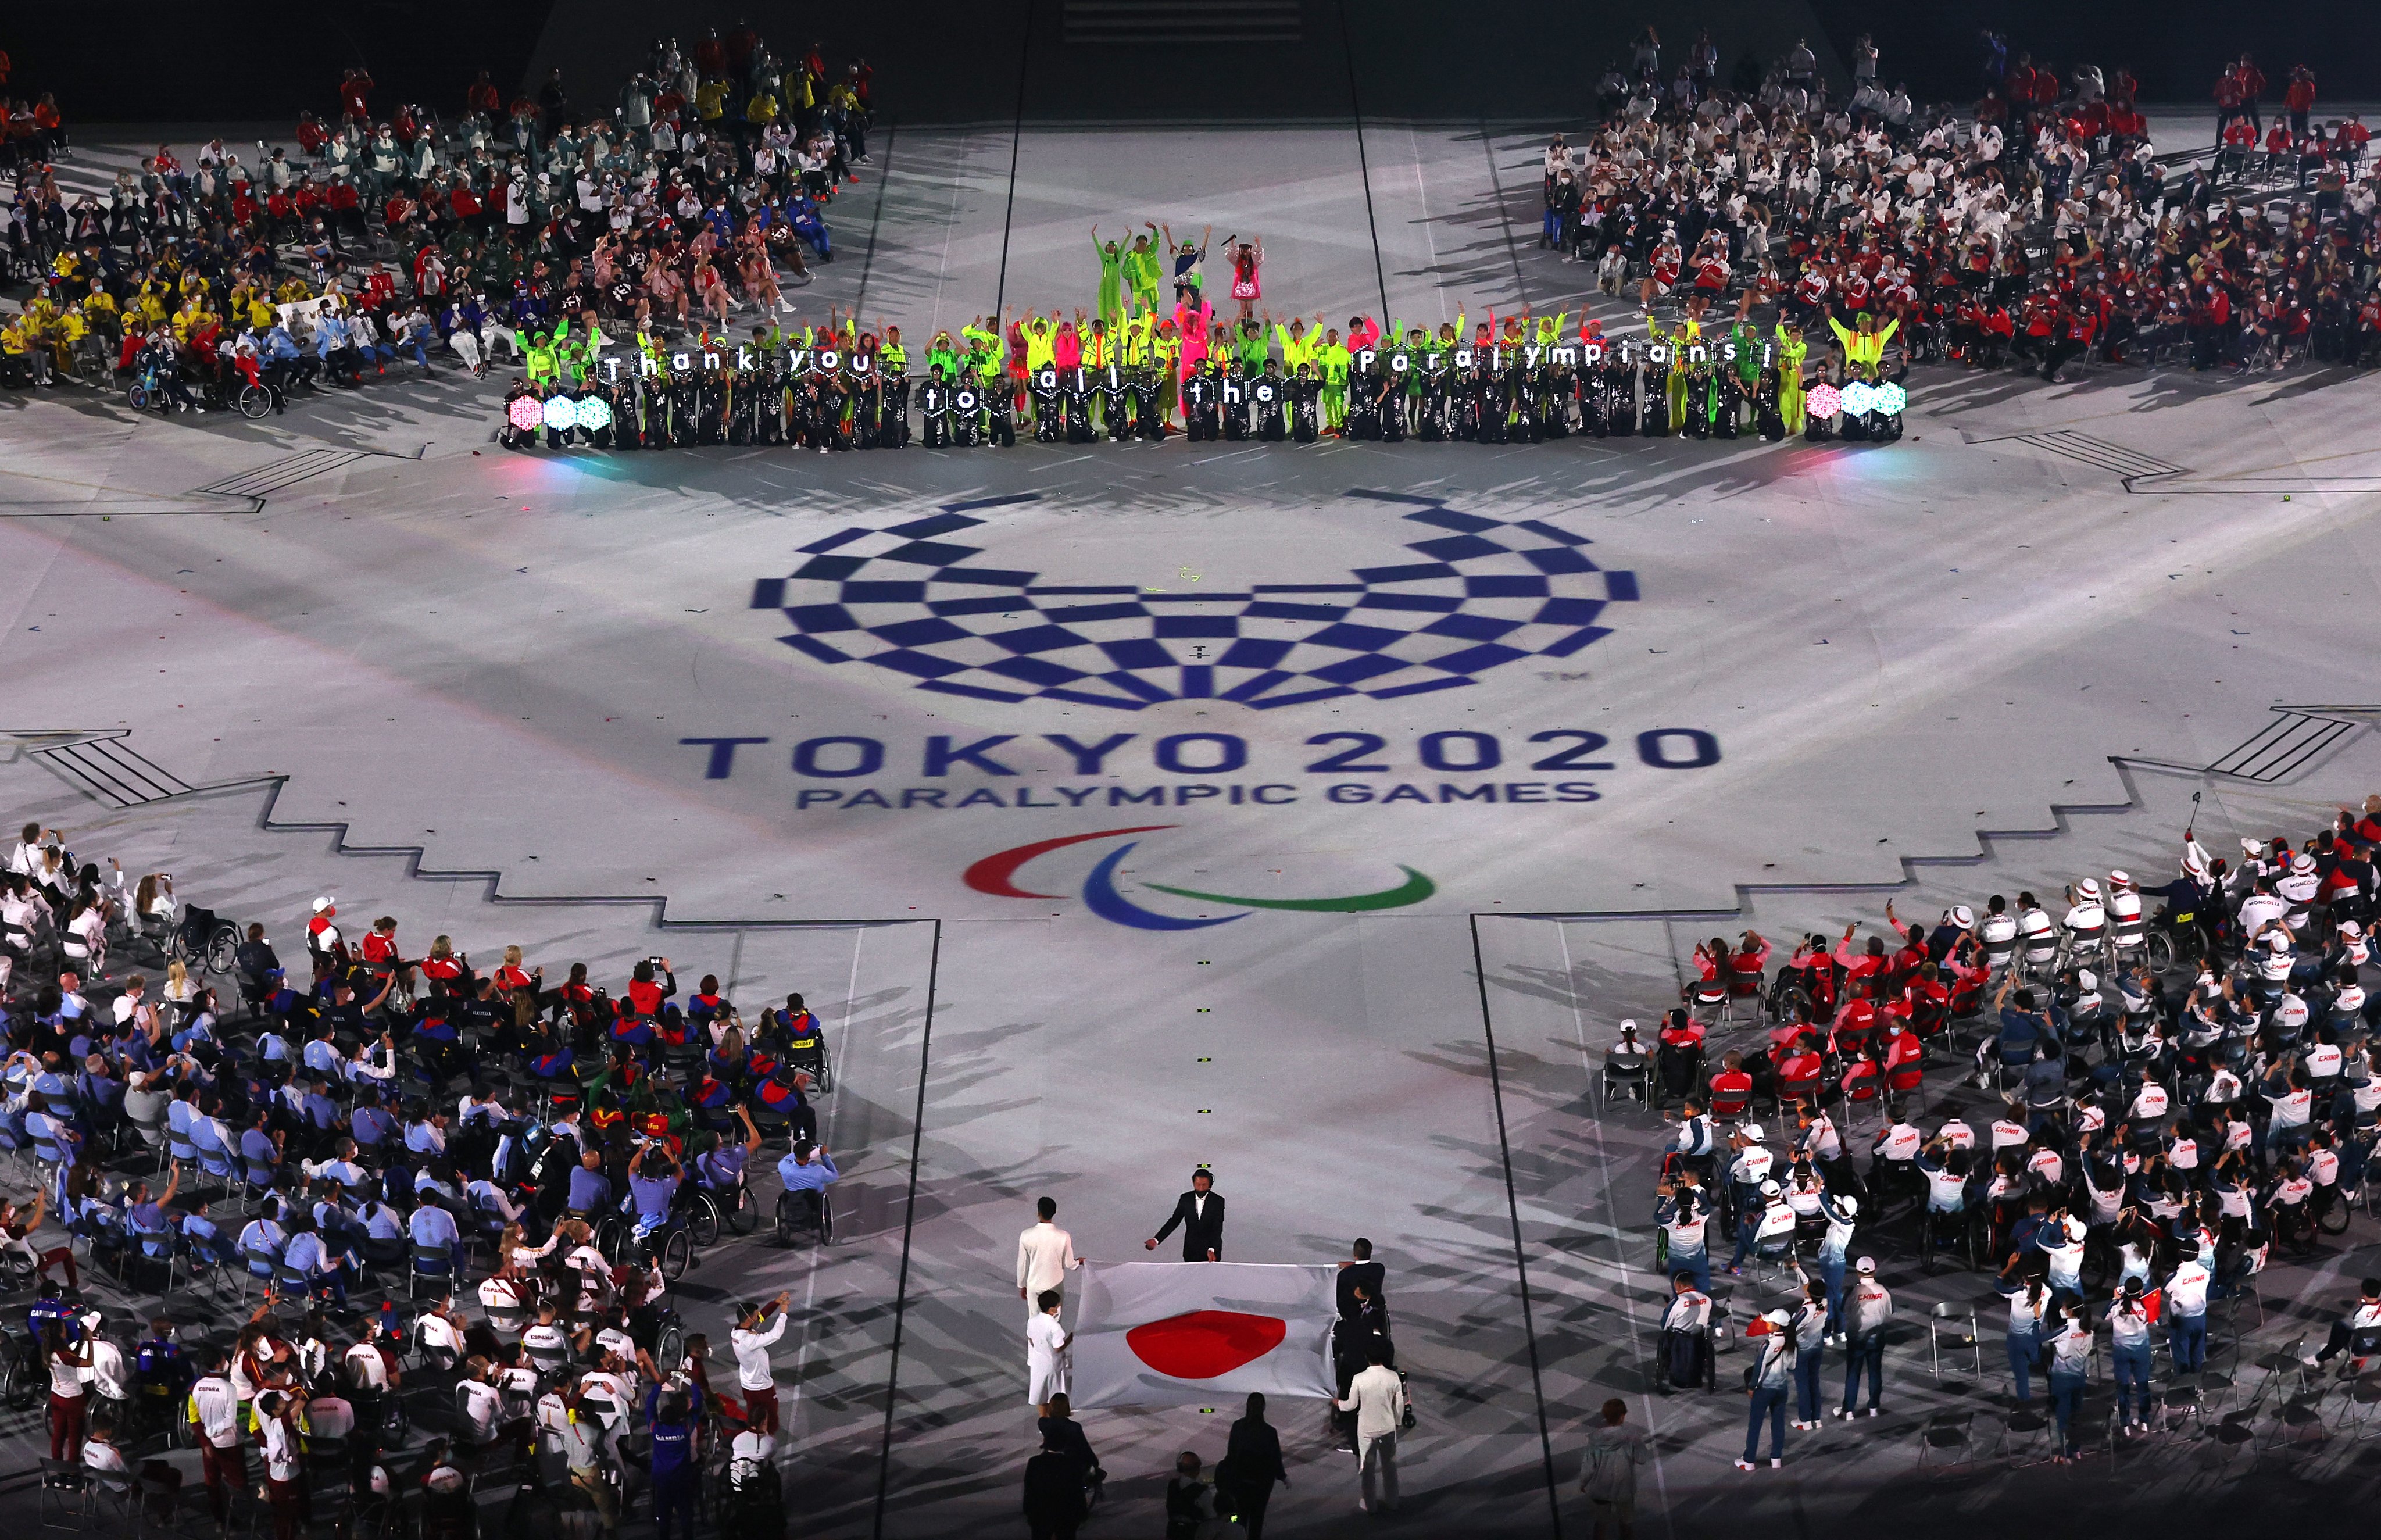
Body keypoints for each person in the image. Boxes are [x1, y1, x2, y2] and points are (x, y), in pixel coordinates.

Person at [1334, 1341, 1404, 1513]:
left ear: (1367, 1357)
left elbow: (1351, 1405)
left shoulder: (1359, 1379)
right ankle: (1393, 1501)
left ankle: (1370, 1504)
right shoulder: (1393, 1377)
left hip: (1366, 1429)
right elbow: (1400, 1405)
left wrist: (1337, 1403)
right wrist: (1397, 1421)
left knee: (1367, 1468)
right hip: (1387, 1427)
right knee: (1390, 1467)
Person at [1578, 1398, 1649, 1539]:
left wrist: (1582, 1483)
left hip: (1601, 1489)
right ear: (1622, 1417)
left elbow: (1589, 1466)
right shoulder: (1631, 1437)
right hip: (1624, 1489)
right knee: (1625, 1525)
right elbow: (1642, 1459)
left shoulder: (1595, 1439)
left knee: (1601, 1524)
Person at [1220, 1391, 1286, 1539]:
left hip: (1240, 1482)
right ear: (1264, 1408)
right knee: (1257, 1518)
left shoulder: (1238, 1427)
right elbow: (1275, 1457)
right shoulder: (1269, 1432)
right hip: (1262, 1485)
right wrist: (1283, 1476)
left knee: (1239, 1516)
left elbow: (1231, 1453)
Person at [1737, 1306, 1795, 1470]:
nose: (1768, 1324)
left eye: (1771, 1323)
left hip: (1764, 1389)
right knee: (1778, 1423)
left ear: (1777, 1326)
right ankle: (1776, 1458)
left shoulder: (1767, 1343)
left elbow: (1759, 1368)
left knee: (1755, 1424)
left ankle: (1749, 1461)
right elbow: (1793, 1365)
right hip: (1782, 1388)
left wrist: (1752, 1386)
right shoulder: (1791, 1341)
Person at [1833, 1257, 1890, 1418]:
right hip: (1877, 1336)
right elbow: (1889, 1311)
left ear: (1858, 1273)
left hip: (1857, 1338)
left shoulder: (1853, 1292)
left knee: (1853, 1373)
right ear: (1874, 1270)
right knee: (1875, 1371)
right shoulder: (1883, 1290)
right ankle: (1874, 1408)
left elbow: (1844, 1310)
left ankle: (1848, 1411)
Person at [1018, 1195, 1082, 1321]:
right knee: (1054, 1321)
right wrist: (1078, 1262)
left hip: (1034, 1285)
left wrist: (1022, 1284)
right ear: (1054, 1213)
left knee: (1035, 1321)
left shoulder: (1026, 1235)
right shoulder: (1064, 1236)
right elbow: (1070, 1264)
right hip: (1055, 1285)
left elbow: (1022, 1264)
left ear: (1038, 1213)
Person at [1147, 1167, 1225, 1261]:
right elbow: (1174, 1221)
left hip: (1211, 1252)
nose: (1201, 1188)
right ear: (1193, 1184)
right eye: (1198, 1185)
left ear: (1210, 1185)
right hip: (1190, 1250)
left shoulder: (1218, 1201)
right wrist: (1156, 1240)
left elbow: (1217, 1227)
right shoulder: (1185, 1199)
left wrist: (1212, 1249)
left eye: (1204, 1185)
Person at [1024, 1435, 1088, 1540]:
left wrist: (1028, 1511)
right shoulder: (1072, 1464)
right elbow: (1078, 1492)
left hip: (1041, 1514)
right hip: (1066, 1515)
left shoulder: (1035, 1462)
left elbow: (1029, 1489)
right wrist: (1082, 1514)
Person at [1028, 1289, 1071, 1415]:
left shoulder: (1032, 1321)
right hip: (1052, 1365)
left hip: (1037, 1364)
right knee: (1054, 1395)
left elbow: (1031, 1339)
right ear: (1053, 1310)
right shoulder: (1055, 1327)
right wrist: (1070, 1339)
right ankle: (1055, 1421)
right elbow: (1058, 1347)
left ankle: (1043, 1420)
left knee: (1041, 1394)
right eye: (1058, 1305)